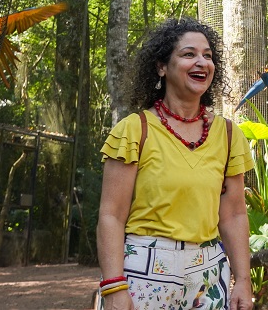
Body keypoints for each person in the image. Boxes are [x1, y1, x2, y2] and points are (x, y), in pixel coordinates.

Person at [96, 18, 255, 310]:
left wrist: (243, 280)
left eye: (208, 55)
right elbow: (111, 215)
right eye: (188, 54)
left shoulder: (229, 134)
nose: (202, 62)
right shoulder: (135, 129)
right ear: (161, 67)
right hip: (142, 273)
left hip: (208, 276)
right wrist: (114, 286)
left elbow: (233, 215)